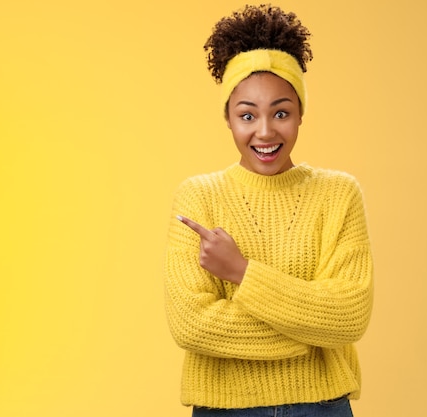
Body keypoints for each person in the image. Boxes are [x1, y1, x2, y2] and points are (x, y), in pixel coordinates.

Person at [164, 4, 374, 416]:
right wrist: (312, 331)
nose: (265, 131)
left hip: (322, 408)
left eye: (281, 112)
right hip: (225, 410)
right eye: (247, 115)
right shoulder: (199, 197)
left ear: (300, 114)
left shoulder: (339, 194)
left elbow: (349, 317)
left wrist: (241, 272)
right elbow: (192, 325)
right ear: (227, 117)